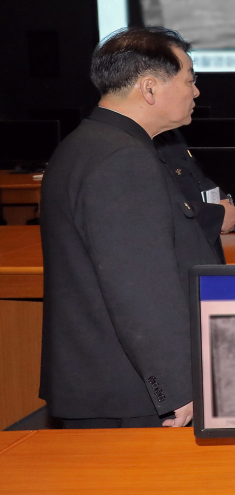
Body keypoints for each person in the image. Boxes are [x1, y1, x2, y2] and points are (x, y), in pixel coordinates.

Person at [40, 27, 218, 427]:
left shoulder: (88, 144)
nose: (196, 92)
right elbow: (139, 288)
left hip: (105, 381)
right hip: (130, 396)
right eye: (190, 80)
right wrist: (178, 387)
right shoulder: (123, 159)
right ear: (150, 88)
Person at [153, 130, 235, 262]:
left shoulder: (170, 134)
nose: (193, 107)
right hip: (178, 256)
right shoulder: (137, 146)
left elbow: (196, 178)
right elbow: (162, 210)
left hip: (202, 247)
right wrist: (216, 215)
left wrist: (223, 203)